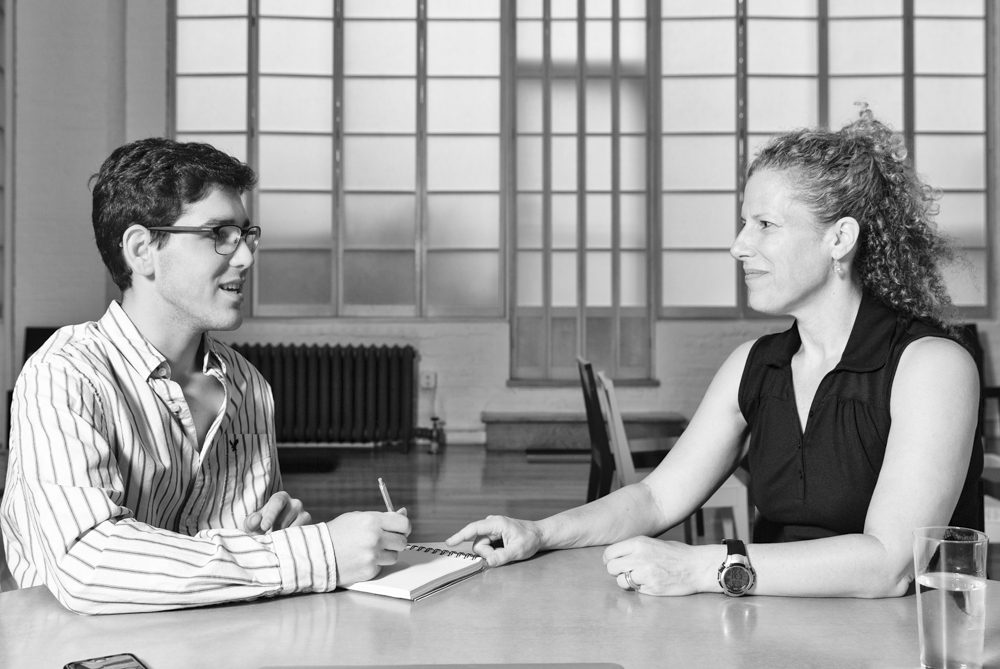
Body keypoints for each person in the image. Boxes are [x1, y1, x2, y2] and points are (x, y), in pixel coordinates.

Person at [448, 107, 983, 599]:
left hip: (906, 651)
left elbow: (890, 564)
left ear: (839, 238)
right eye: (744, 223)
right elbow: (656, 498)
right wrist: (540, 532)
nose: (739, 245)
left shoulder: (932, 366)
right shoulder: (755, 364)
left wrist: (705, 566)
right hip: (774, 635)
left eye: (765, 225)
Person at [0, 138, 410, 614]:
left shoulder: (248, 385)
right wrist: (314, 553)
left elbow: (246, 556)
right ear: (142, 250)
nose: (245, 257)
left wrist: (273, 536)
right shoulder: (65, 374)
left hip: (220, 645)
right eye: (219, 234)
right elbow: (86, 564)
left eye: (245, 234)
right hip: (82, 653)